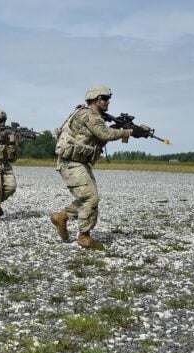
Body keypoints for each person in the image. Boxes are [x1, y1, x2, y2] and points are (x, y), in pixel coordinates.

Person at [50, 85, 138, 249]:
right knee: (91, 198)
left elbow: (100, 137)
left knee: (87, 197)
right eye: (104, 99)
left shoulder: (95, 117)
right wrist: (127, 132)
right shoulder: (89, 115)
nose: (107, 102)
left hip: (80, 162)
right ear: (95, 99)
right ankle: (84, 237)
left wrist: (131, 131)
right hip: (71, 163)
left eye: (108, 99)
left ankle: (61, 217)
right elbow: (105, 134)